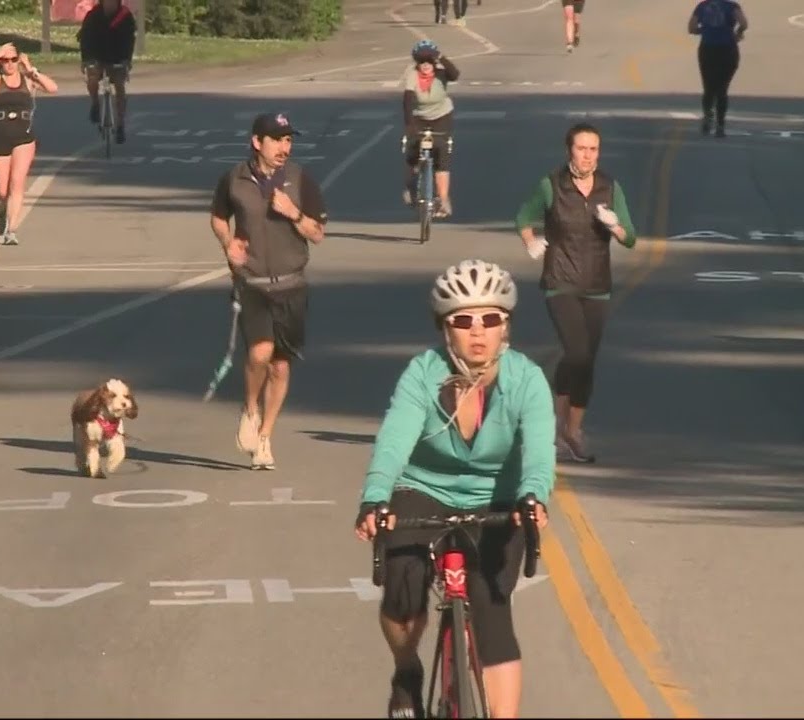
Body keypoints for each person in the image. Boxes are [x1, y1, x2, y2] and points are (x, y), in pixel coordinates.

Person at [355, 260, 554, 720]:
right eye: (464, 321)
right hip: (424, 489)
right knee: (403, 595)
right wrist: (376, 497)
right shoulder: (422, 374)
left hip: (499, 499)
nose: (478, 331)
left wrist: (534, 496)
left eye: (491, 319)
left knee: (492, 610)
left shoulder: (527, 380)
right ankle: (407, 671)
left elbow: (540, 450)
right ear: (446, 329)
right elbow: (393, 442)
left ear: (506, 325)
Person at [209, 112, 328, 470]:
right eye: (277, 140)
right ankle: (250, 407)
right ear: (257, 142)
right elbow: (218, 217)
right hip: (253, 283)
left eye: (289, 140)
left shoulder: (300, 180)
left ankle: (265, 439)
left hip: (292, 284)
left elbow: (318, 233)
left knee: (280, 366)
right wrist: (228, 245)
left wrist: (293, 213)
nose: (284, 147)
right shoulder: (234, 180)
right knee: (259, 354)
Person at [514, 122, 637, 463]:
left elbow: (631, 237)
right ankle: (558, 425)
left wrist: (613, 224)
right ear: (569, 150)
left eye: (594, 149)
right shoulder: (552, 185)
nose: (588, 155)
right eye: (582, 148)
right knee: (577, 353)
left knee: (585, 363)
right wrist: (531, 241)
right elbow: (523, 216)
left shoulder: (610, 187)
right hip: (561, 282)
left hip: (597, 285)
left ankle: (571, 429)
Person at [0, 43, 58, 246]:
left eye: (13, 59)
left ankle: (12, 230)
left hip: (24, 137)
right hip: (0, 134)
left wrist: (31, 70)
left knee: (17, 184)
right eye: (5, 60)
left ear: (19, 60)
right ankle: (1, 209)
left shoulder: (28, 79)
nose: (9, 64)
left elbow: (53, 88)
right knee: (2, 191)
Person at [401, 39, 460, 218]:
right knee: (412, 152)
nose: (425, 65)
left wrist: (440, 57)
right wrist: (410, 125)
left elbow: (455, 74)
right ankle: (411, 187)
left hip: (441, 116)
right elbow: (408, 100)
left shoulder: (442, 73)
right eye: (421, 62)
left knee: (442, 152)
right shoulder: (412, 75)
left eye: (429, 61)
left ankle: (443, 200)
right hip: (419, 117)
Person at [78, 0, 137, 144]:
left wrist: (126, 60)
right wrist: (86, 60)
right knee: (92, 77)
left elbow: (130, 40)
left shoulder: (125, 16)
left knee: (119, 85)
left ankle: (120, 124)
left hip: (118, 58)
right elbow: (85, 38)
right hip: (97, 57)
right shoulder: (93, 15)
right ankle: (95, 104)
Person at [688, 0, 748, 138]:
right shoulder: (732, 6)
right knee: (722, 87)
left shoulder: (702, 6)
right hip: (728, 49)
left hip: (708, 49)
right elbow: (744, 23)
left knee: (708, 86)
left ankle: (708, 116)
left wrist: (705, 30)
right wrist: (737, 32)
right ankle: (720, 125)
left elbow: (691, 28)